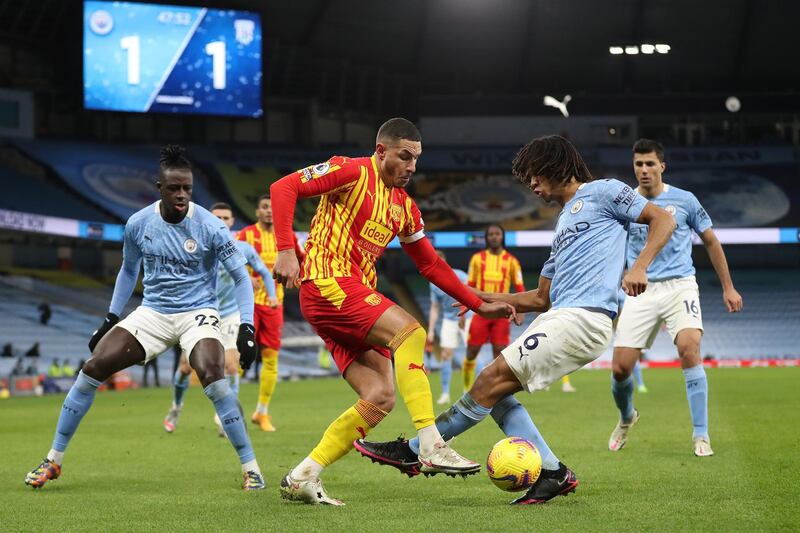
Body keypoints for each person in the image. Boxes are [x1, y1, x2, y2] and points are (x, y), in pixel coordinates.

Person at [354, 135, 675, 504]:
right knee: (496, 392)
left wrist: (639, 266)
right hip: (561, 314)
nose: (533, 186)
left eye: (535, 177)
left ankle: (414, 450)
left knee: (489, 378)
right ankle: (553, 472)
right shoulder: (562, 226)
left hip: (584, 318)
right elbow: (540, 297)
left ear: (554, 165)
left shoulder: (605, 191)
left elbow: (661, 219)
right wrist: (478, 298)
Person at [270, 117, 516, 505]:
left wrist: (478, 305)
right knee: (411, 332)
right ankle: (431, 444)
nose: (412, 167)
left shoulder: (404, 207)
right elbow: (284, 187)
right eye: (405, 157)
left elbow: (430, 265)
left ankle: (304, 474)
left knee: (380, 396)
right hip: (327, 282)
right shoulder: (351, 171)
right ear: (381, 151)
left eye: (416, 159)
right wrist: (286, 249)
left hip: (348, 297)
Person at [24, 145, 265, 491]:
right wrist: (110, 318)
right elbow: (127, 271)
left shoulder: (211, 226)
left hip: (198, 312)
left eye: (187, 189)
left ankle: (251, 468)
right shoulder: (139, 224)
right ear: (160, 187)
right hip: (153, 312)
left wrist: (246, 327)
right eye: (174, 188)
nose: (181, 195)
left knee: (213, 374)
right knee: (93, 367)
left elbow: (241, 278)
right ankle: (54, 460)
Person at [608, 139, 743, 457]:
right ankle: (627, 417)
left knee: (688, 347)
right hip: (640, 291)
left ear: (662, 166)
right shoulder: (623, 203)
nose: (644, 170)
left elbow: (711, 241)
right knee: (620, 369)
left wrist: (728, 287)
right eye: (639, 164)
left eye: (650, 163)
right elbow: (613, 250)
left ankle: (701, 434)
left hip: (679, 285)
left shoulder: (685, 200)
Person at [164, 202, 275, 436]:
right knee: (185, 367)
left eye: (226, 218)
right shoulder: (196, 248)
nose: (221, 222)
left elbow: (264, 271)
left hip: (231, 314)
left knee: (232, 366)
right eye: (217, 218)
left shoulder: (242, 249)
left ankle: (227, 416)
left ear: (232, 222)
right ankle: (176, 407)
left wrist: (271, 295)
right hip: (202, 312)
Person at [238, 194, 304, 432]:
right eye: (264, 207)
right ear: (257, 211)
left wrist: (301, 280)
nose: (268, 211)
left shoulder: (286, 237)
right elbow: (229, 261)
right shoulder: (245, 235)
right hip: (247, 305)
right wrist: (245, 277)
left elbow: (302, 261)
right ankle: (229, 412)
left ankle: (262, 412)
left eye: (272, 207)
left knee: (271, 359)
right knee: (238, 356)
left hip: (275, 305)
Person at [462, 224, 525, 391]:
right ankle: (466, 389)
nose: (494, 237)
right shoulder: (477, 259)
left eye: (497, 234)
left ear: (502, 237)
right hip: (480, 310)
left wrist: (522, 311)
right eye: (491, 234)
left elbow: (519, 288)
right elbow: (470, 286)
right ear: (486, 237)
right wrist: (463, 311)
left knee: (499, 353)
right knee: (471, 351)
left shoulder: (512, 261)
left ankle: (494, 390)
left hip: (501, 313)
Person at [426, 249, 471, 405]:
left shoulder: (459, 275)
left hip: (467, 316)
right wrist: (431, 330)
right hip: (449, 320)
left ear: (444, 261)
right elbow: (434, 307)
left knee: (472, 353)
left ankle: (469, 391)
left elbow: (470, 295)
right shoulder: (433, 283)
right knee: (446, 354)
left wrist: (464, 315)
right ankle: (445, 393)